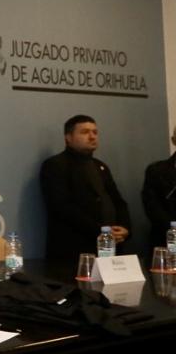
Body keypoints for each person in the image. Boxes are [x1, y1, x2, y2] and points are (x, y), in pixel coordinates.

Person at [41, 114, 131, 267]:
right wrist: (100, 231)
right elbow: (61, 207)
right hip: (74, 250)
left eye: (95, 132)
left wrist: (125, 228)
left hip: (111, 248)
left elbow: (118, 201)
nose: (92, 136)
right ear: (68, 137)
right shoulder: (55, 165)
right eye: (85, 132)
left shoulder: (101, 166)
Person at [141, 125, 176, 251]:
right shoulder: (156, 170)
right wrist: (172, 229)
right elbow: (152, 206)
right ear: (173, 140)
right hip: (166, 240)